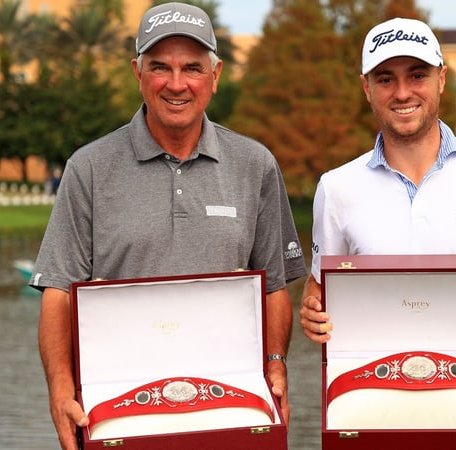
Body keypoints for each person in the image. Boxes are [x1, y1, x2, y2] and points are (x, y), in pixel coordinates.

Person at [30, 3, 307, 449]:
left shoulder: (255, 164)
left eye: (192, 68)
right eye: (160, 67)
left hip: (228, 405)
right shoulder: (89, 168)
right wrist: (61, 389)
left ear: (215, 77)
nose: (176, 84)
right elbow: (59, 292)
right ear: (138, 73)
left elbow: (274, 285)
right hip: (116, 409)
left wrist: (276, 364)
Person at [298, 17, 456, 450]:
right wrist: (312, 309)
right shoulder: (337, 187)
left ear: (441, 79)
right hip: (371, 406)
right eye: (386, 78)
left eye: (416, 75)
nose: (402, 93)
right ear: (367, 88)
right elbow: (320, 286)